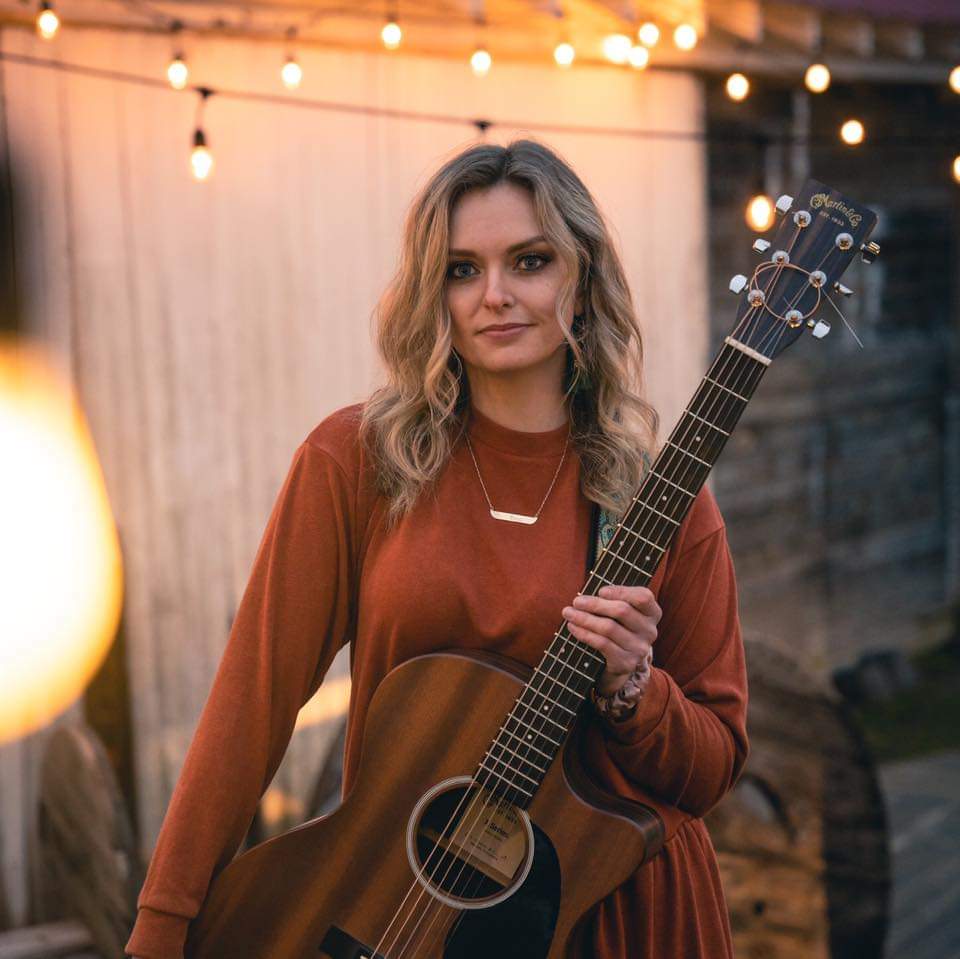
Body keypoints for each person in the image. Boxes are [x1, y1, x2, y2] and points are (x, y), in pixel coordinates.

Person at [125, 138, 748, 959]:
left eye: (530, 261)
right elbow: (250, 707)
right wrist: (163, 923)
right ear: (432, 292)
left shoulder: (661, 499)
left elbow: (713, 767)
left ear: (583, 279)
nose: (495, 295)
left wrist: (636, 689)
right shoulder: (357, 463)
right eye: (461, 270)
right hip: (398, 909)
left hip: (611, 918)